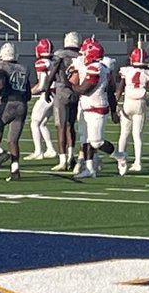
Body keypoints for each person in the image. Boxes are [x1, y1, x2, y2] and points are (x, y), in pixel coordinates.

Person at [0, 42, 32, 182]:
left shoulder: (1, 66)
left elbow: (0, 85)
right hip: (22, 105)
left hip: (8, 104)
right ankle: (15, 170)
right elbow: (28, 94)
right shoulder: (24, 68)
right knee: (13, 140)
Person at [70, 38, 119, 181]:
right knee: (85, 139)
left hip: (96, 107)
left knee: (96, 141)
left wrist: (69, 85)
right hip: (86, 106)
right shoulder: (89, 65)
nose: (83, 55)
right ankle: (89, 168)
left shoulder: (96, 67)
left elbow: (84, 89)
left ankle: (120, 156)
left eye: (85, 53)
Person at [40, 31, 82, 171]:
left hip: (62, 90)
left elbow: (53, 72)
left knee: (61, 126)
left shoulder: (60, 55)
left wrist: (47, 89)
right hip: (76, 92)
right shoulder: (81, 56)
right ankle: (71, 155)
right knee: (71, 126)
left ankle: (63, 159)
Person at [115, 46, 149, 174]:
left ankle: (121, 160)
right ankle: (137, 162)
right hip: (140, 103)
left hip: (128, 102)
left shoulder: (126, 71)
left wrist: (115, 103)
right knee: (137, 135)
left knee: (124, 134)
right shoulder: (148, 73)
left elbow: (120, 89)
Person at [24, 38, 58, 161]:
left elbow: (42, 85)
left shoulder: (42, 63)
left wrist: (28, 92)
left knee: (34, 122)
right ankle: (50, 149)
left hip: (48, 94)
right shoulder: (54, 61)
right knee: (42, 123)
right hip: (56, 94)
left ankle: (38, 151)